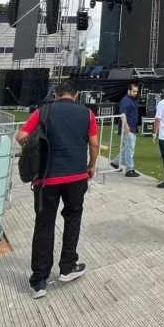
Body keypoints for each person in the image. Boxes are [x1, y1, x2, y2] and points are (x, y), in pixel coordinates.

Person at [16, 80, 98, 299]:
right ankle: (68, 266)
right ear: (76, 95)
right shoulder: (87, 114)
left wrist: (37, 147)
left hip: (47, 179)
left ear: (56, 95)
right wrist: (91, 166)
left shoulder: (44, 111)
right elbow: (94, 143)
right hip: (77, 177)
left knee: (44, 225)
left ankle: (40, 280)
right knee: (73, 219)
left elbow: (21, 136)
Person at [111, 81, 140, 177]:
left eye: (136, 92)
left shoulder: (131, 100)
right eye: (134, 91)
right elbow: (122, 114)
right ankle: (129, 169)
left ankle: (115, 162)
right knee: (130, 149)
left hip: (132, 127)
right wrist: (126, 126)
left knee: (127, 147)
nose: (136, 93)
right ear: (129, 91)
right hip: (128, 128)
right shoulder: (126, 100)